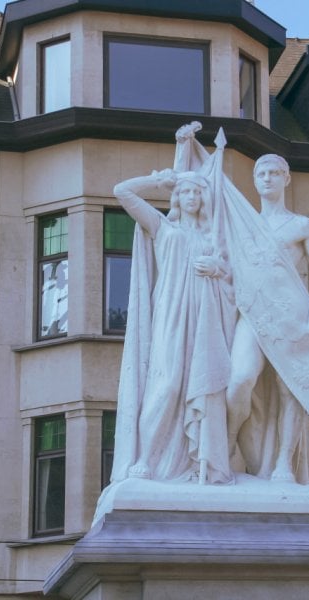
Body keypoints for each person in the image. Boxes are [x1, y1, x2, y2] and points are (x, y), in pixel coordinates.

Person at [224, 153, 309, 488]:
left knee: (292, 390)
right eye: (261, 173)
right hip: (253, 316)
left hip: (294, 318)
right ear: (254, 180)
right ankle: (226, 442)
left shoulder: (301, 225)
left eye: (274, 173)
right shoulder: (244, 225)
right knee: (240, 378)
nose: (267, 178)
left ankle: (283, 463)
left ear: (286, 179)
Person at [108, 166, 235, 485]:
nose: (191, 197)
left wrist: (218, 271)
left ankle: (197, 461)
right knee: (164, 387)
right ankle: (146, 459)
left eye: (197, 192)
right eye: (185, 191)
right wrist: (157, 181)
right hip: (170, 316)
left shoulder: (214, 238)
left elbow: (239, 285)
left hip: (205, 322)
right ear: (176, 196)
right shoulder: (161, 226)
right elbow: (122, 190)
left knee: (201, 390)